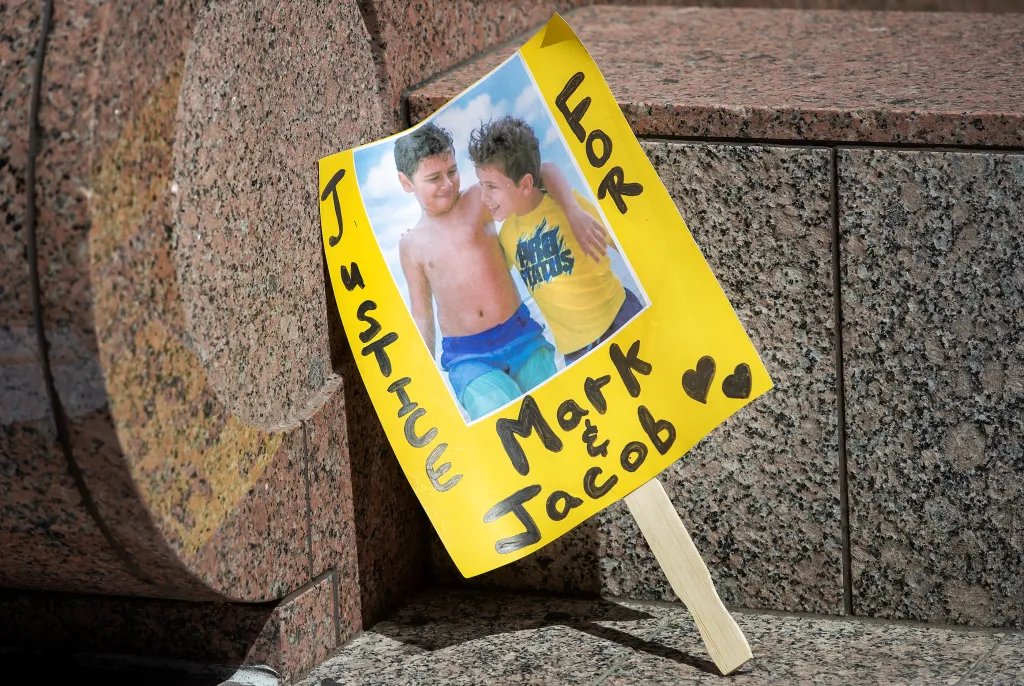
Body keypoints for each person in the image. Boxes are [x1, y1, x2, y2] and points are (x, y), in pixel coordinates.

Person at [395, 123, 598, 420]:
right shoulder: (410, 245)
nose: (447, 184)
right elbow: (422, 312)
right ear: (406, 182)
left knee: (557, 415)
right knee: (505, 423)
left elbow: (544, 173)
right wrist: (421, 376)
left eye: (452, 171)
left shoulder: (479, 198)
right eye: (434, 178)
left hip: (521, 336)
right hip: (468, 358)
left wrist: (571, 209)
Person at [468, 115, 643, 365]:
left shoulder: (565, 205)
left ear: (526, 183)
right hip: (577, 353)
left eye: (492, 187)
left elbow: (625, 245)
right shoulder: (506, 235)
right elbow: (488, 277)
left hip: (620, 315)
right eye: (480, 185)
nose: (484, 196)